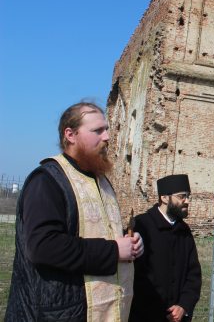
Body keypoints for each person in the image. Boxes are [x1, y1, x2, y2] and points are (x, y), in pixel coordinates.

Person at [6, 101, 144, 321]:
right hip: (61, 312)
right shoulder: (47, 180)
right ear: (70, 135)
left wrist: (132, 242)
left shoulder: (101, 181)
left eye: (106, 129)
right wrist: (113, 250)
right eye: (97, 130)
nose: (107, 136)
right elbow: (42, 247)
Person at [130, 174, 202, 322]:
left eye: (188, 196)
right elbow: (139, 274)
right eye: (182, 196)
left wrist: (183, 306)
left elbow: (193, 275)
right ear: (164, 198)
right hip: (146, 315)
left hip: (178, 317)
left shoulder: (184, 231)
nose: (187, 201)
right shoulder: (142, 225)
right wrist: (166, 307)